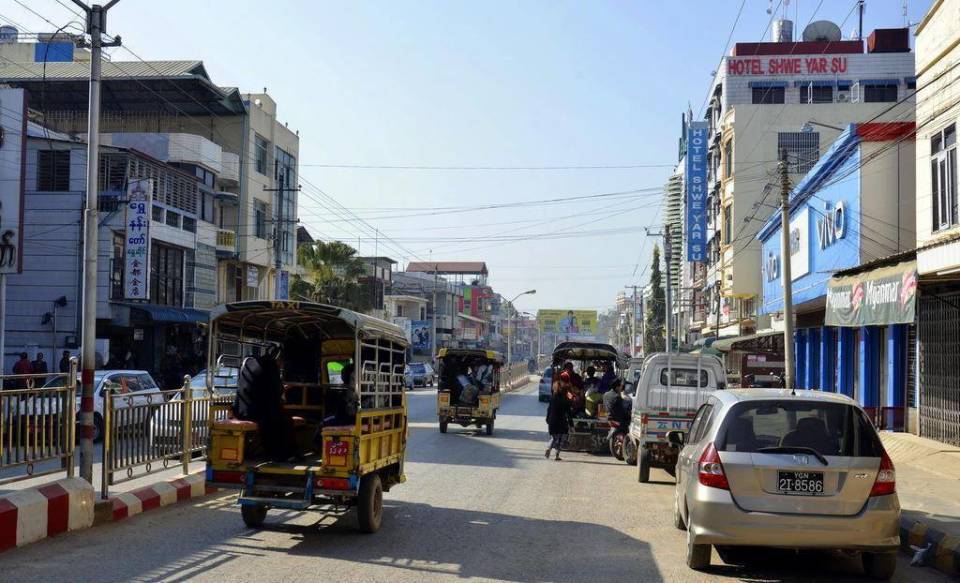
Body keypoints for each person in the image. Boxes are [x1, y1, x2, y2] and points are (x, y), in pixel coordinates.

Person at [233, 347, 297, 460]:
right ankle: (283, 454)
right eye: (281, 363)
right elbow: (274, 391)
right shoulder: (270, 366)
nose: (281, 366)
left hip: (241, 410)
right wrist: (283, 389)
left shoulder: (251, 363)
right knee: (285, 420)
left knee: (279, 417)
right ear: (278, 360)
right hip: (258, 412)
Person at [545, 371, 572, 461]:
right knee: (560, 438)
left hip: (552, 420)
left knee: (553, 437)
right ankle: (557, 455)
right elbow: (568, 411)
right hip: (561, 421)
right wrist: (571, 424)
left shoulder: (554, 395)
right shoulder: (566, 396)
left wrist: (547, 419)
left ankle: (549, 448)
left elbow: (549, 408)